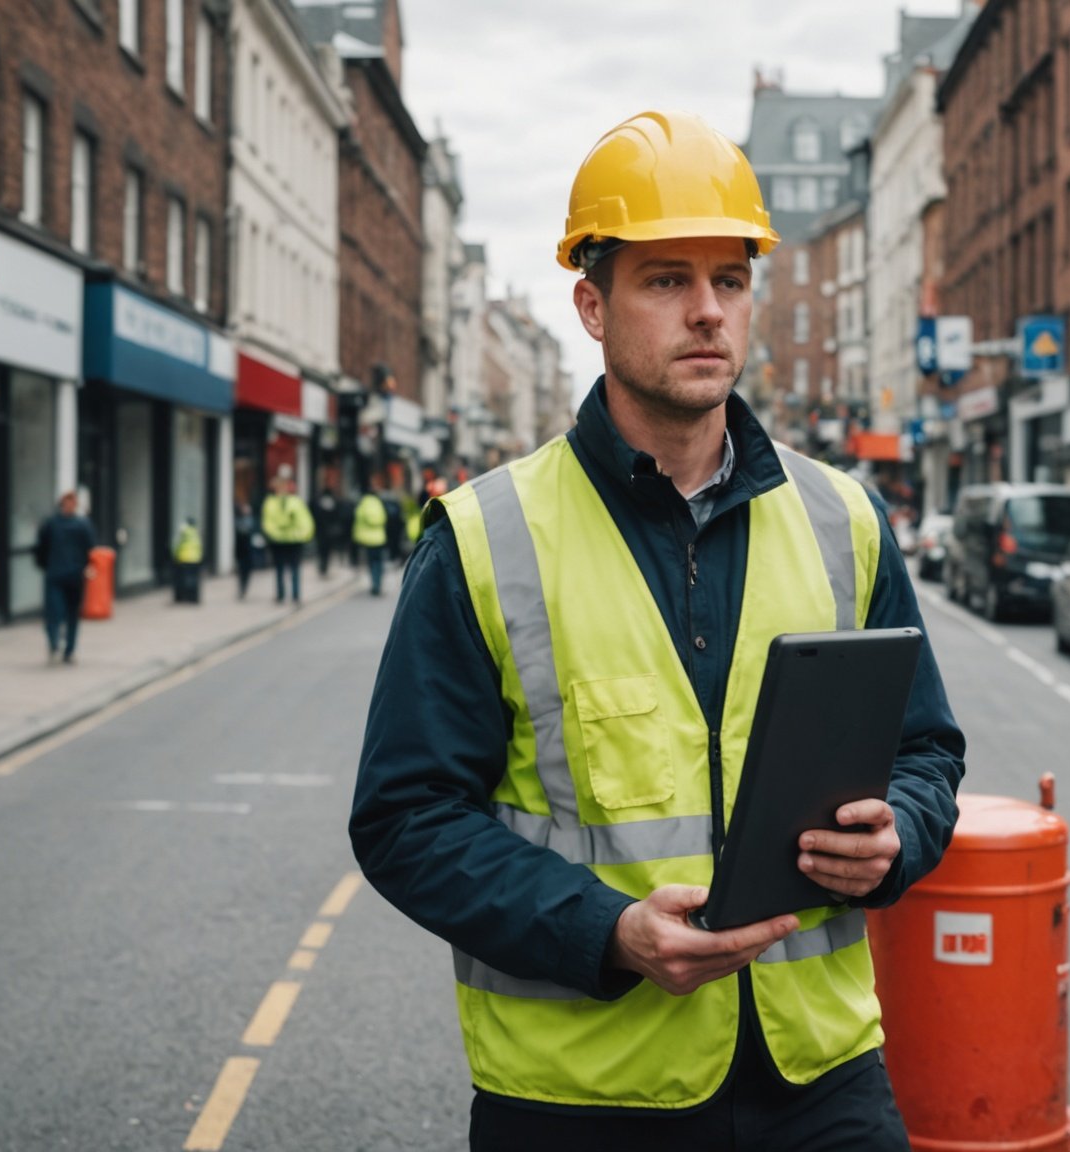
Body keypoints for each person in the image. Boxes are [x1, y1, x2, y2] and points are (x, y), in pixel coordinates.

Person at [352, 110, 964, 1149]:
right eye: (666, 280)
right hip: (585, 1096)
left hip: (819, 1077)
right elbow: (407, 818)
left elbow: (927, 752)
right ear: (592, 304)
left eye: (729, 280)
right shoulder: (484, 538)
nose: (708, 313)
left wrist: (899, 833)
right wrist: (607, 931)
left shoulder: (845, 518)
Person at [32, 490, 96, 665]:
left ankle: (69, 649)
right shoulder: (51, 524)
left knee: (72, 614)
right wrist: (46, 566)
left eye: (72, 502)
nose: (70, 505)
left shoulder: (82, 524)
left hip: (74, 576)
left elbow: (91, 549)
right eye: (67, 502)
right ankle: (54, 643)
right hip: (55, 575)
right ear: (62, 504)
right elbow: (41, 548)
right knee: (55, 612)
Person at [261, 473, 315, 604]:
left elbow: (268, 524)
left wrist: (276, 534)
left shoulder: (270, 503)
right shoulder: (295, 502)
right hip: (293, 540)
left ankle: (282, 595)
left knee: (280, 569)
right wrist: (302, 535)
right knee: (294, 568)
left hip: (279, 541)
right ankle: (295, 595)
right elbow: (306, 523)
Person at [351, 484, 389, 596]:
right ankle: (378, 584)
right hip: (379, 538)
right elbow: (383, 519)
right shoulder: (378, 504)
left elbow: (357, 521)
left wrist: (356, 536)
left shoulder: (362, 504)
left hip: (366, 539)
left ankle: (374, 584)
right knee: (379, 562)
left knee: (371, 563)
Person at [232, 499, 265, 600]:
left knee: (247, 572)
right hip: (241, 551)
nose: (246, 510)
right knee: (241, 572)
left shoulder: (253, 522)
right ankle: (242, 589)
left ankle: (244, 588)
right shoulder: (238, 521)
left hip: (250, 552)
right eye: (244, 509)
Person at [314, 483, 345, 579]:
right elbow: (338, 517)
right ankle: (324, 566)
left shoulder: (318, 503)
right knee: (327, 551)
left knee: (321, 551)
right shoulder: (335, 503)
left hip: (320, 532)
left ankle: (322, 566)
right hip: (329, 533)